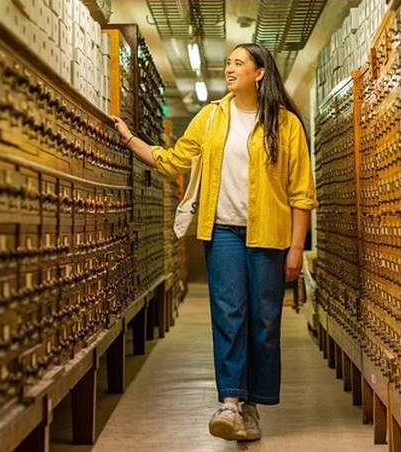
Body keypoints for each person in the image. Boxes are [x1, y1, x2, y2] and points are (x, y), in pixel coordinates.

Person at [110, 42, 317, 442]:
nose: (229, 69)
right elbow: (174, 161)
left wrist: (296, 247)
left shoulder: (285, 124)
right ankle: (231, 403)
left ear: (259, 73)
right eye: (227, 63)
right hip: (221, 230)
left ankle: (253, 405)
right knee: (229, 315)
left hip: (269, 235)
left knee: (263, 322)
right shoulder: (210, 118)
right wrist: (130, 139)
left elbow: (301, 193)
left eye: (239, 63)